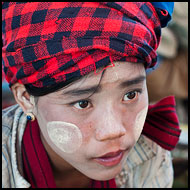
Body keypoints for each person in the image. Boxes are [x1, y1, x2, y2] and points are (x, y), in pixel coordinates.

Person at [2, 2, 181, 188]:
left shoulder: (150, 155)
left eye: (130, 95)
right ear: (25, 98)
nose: (113, 131)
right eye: (82, 103)